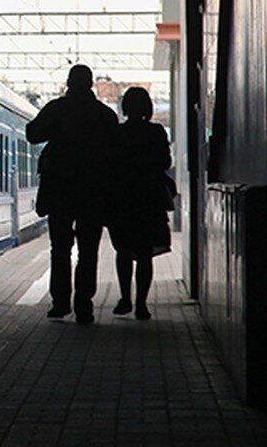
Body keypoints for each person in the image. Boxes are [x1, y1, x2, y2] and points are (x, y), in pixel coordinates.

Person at [26, 64, 118, 324]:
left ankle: (60, 303)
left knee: (61, 249)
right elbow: (116, 151)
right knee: (89, 250)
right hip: (93, 192)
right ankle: (84, 305)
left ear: (69, 83)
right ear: (90, 84)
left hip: (60, 190)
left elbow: (33, 134)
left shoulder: (57, 109)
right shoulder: (104, 115)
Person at [108, 86, 176, 321]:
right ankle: (141, 305)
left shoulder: (116, 133)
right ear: (147, 107)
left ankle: (125, 298)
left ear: (125, 107)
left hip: (122, 199)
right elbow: (165, 161)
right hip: (149, 199)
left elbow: (110, 165)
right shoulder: (157, 132)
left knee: (123, 251)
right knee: (145, 254)